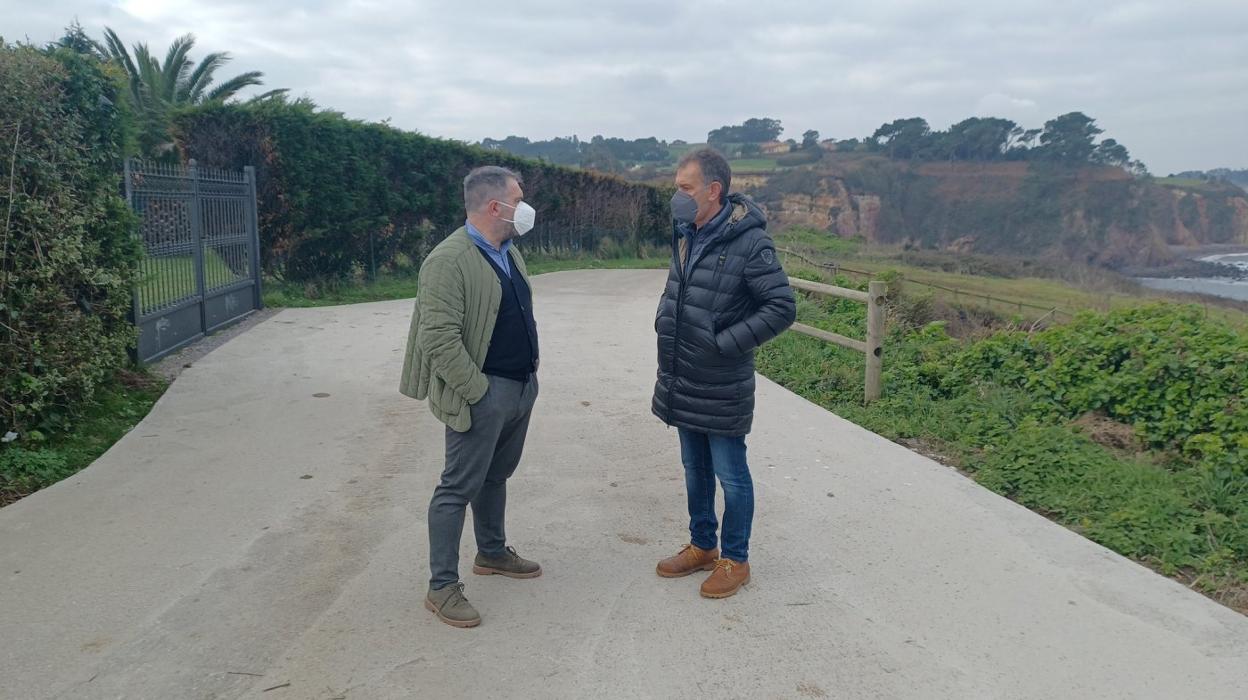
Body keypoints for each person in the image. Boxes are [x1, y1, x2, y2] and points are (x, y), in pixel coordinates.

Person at [399, 165, 542, 628]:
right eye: (518, 200)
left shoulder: (508, 251)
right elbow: (437, 338)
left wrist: (528, 381)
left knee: (495, 476)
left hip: (520, 387)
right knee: (456, 488)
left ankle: (492, 552)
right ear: (495, 207)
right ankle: (441, 587)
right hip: (484, 393)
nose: (525, 207)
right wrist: (479, 393)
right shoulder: (448, 260)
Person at [651, 148, 797, 598]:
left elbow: (781, 307)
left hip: (722, 381)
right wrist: (664, 319)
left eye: (686, 188)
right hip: (682, 375)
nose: (677, 196)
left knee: (731, 474)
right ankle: (702, 545)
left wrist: (724, 343)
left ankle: (735, 558)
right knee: (694, 469)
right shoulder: (685, 233)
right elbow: (678, 291)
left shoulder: (751, 243)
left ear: (713, 190)